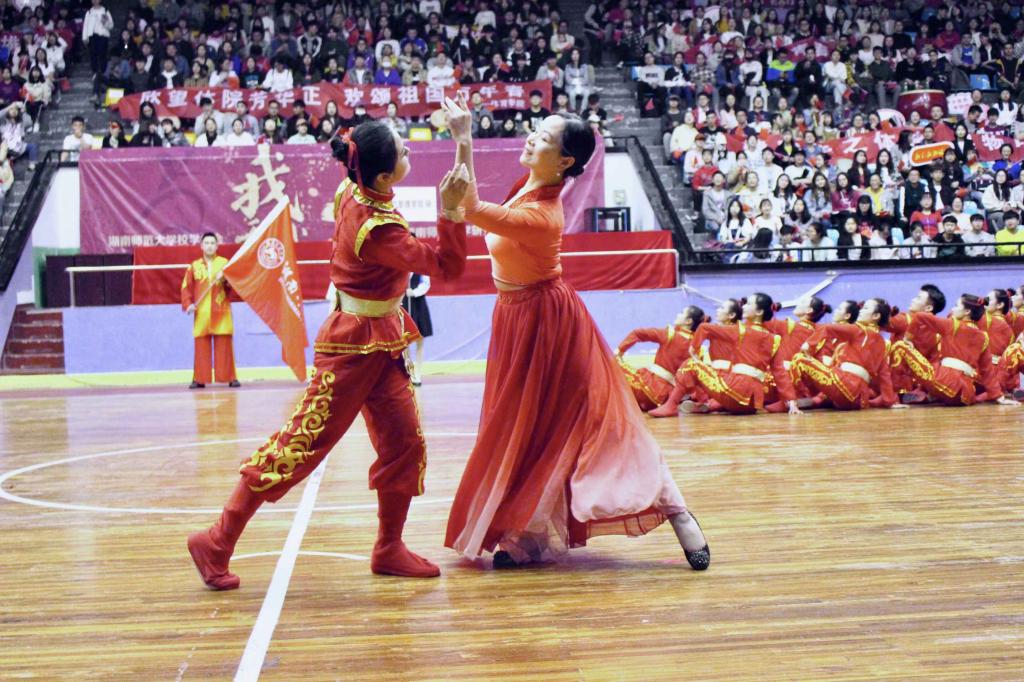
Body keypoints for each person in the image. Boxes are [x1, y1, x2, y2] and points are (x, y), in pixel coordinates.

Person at [187, 121, 471, 589]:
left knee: (405, 443)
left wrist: (462, 145)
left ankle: (389, 547)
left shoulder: (354, 188)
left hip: (383, 340)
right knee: (299, 445)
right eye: (403, 151)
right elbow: (449, 267)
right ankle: (216, 541)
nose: (409, 153)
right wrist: (452, 210)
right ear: (383, 176)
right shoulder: (378, 229)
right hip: (351, 349)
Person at [442, 95, 710, 571]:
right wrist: (462, 149)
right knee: (528, 432)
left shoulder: (544, 215)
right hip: (515, 318)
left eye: (544, 138)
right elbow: (466, 204)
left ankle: (675, 508)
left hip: (549, 324)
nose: (531, 139)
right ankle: (524, 535)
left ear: (565, 160)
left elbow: (468, 207)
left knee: (594, 427)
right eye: (536, 130)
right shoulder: (525, 189)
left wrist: (464, 138)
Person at [889, 294, 1004, 406]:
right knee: (936, 365)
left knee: (900, 346)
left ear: (967, 311)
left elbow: (919, 316)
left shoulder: (952, 324)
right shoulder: (984, 337)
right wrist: (998, 396)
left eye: (956, 306)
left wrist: (908, 338)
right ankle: (929, 395)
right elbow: (987, 372)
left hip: (945, 381)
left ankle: (897, 397)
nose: (953, 309)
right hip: (965, 395)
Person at [789, 299, 900, 412]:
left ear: (876, 316)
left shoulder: (859, 330)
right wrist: (890, 401)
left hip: (845, 385)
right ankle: (814, 400)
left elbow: (826, 328)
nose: (860, 311)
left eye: (865, 308)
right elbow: (884, 374)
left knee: (799, 359)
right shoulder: (881, 342)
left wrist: (809, 344)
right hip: (859, 398)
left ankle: (792, 401)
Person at [615, 306, 705, 412]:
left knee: (612, 363)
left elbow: (637, 333)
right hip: (662, 400)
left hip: (647, 388)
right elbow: (694, 382)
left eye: (681, 313)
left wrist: (619, 351)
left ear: (688, 321)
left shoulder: (670, 334)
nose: (678, 314)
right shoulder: (698, 350)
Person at [181, 233, 239, 390]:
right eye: (206, 243)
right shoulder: (194, 266)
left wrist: (226, 278)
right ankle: (199, 378)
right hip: (202, 313)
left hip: (221, 311)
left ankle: (230, 377)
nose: (209, 246)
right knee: (201, 345)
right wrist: (188, 304)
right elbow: (186, 287)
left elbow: (234, 286)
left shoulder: (224, 264)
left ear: (217, 246)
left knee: (225, 344)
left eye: (212, 243)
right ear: (201, 246)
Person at [401, 273, 432, 386]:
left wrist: (414, 292)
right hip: (404, 303)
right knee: (405, 343)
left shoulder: (422, 267)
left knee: (420, 341)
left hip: (418, 305)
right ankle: (408, 373)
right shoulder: (402, 267)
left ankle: (418, 374)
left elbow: (426, 284)